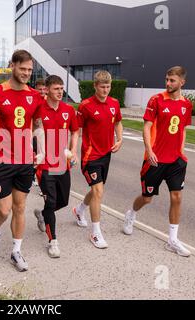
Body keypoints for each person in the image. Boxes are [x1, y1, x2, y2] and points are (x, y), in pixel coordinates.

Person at [0, 50, 45, 272]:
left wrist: (42, 151)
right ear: (12, 66)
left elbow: (38, 126)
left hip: (25, 160)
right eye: (22, 68)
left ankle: (16, 251)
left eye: (29, 70)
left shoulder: (35, 96)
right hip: (1, 159)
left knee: (20, 207)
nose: (26, 73)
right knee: (4, 210)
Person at [123, 66, 193, 257]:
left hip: (175, 161)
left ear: (182, 82)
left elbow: (183, 129)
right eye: (167, 79)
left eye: (172, 80)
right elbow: (147, 127)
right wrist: (149, 150)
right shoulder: (156, 100)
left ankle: (172, 240)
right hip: (155, 159)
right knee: (147, 198)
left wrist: (182, 151)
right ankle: (131, 214)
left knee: (177, 197)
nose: (168, 83)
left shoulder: (187, 104)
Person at [72, 70, 123, 249]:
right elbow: (77, 130)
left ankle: (79, 210)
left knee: (96, 191)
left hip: (106, 154)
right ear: (95, 86)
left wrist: (120, 139)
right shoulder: (85, 106)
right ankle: (95, 233)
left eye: (108, 87)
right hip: (90, 155)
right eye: (102, 87)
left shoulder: (114, 103)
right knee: (98, 192)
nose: (105, 90)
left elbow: (117, 122)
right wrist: (74, 151)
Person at [33, 75, 79, 258]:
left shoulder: (68, 109)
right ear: (47, 90)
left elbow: (75, 131)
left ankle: (43, 214)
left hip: (62, 163)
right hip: (44, 166)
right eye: (56, 89)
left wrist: (73, 151)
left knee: (63, 201)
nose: (60, 92)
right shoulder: (38, 110)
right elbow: (30, 132)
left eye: (61, 88)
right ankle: (53, 242)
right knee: (51, 202)